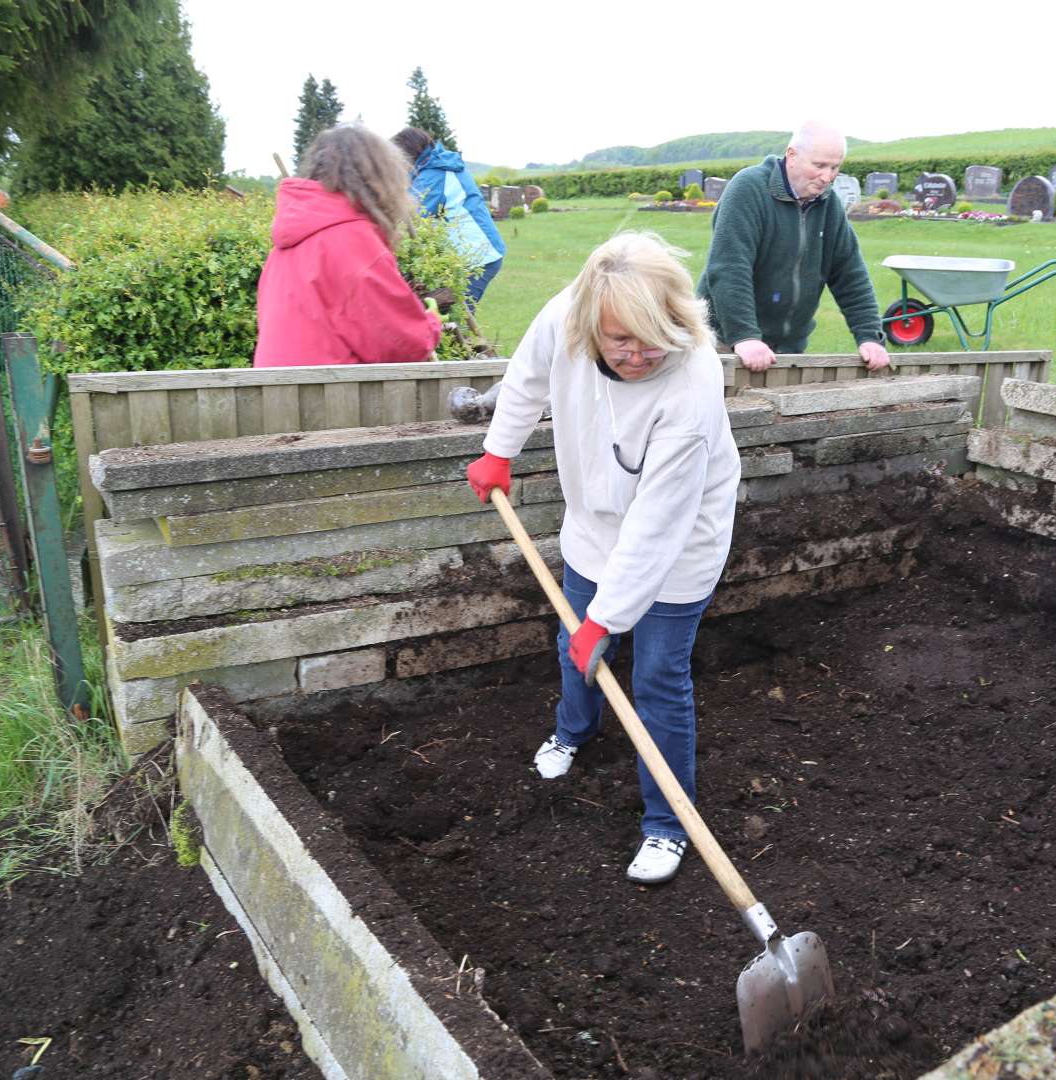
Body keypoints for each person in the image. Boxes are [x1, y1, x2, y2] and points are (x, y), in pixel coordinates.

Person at [466, 232, 740, 885]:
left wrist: (609, 618)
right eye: (622, 340)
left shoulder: (692, 384)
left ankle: (667, 826)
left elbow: (657, 524)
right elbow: (528, 378)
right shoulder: (565, 317)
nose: (639, 354)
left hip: (677, 544)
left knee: (658, 679)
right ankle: (573, 731)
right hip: (593, 522)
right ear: (590, 322)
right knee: (575, 643)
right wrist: (499, 449)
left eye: (654, 337)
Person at [696, 120, 891, 374]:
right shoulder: (749, 189)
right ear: (792, 155)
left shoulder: (828, 204)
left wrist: (869, 337)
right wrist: (744, 337)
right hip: (722, 345)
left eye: (835, 167)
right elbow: (729, 267)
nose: (827, 176)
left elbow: (850, 274)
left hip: (788, 351)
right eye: (819, 165)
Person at [254, 125, 440, 366]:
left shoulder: (286, 243)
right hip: (330, 395)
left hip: (278, 393)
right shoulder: (353, 240)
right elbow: (402, 345)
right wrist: (432, 323)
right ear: (378, 176)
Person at [392, 127, 506, 306]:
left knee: (453, 316)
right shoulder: (437, 166)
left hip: (477, 259)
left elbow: (407, 217)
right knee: (445, 314)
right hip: (474, 255)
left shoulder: (435, 174)